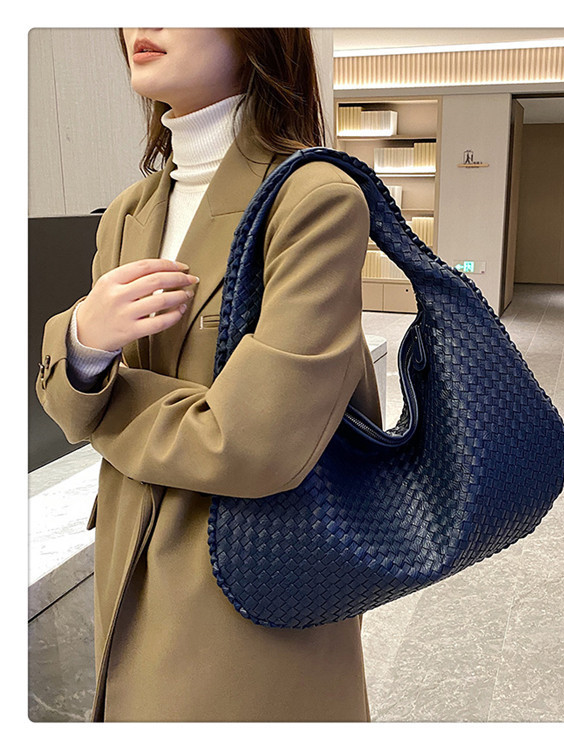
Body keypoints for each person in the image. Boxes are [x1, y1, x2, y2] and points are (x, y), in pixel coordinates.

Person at [35, 28, 383, 722]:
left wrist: (100, 390)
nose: (142, 21)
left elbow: (250, 444)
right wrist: (84, 341)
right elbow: (66, 406)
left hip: (251, 582)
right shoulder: (130, 211)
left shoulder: (313, 197)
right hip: (128, 565)